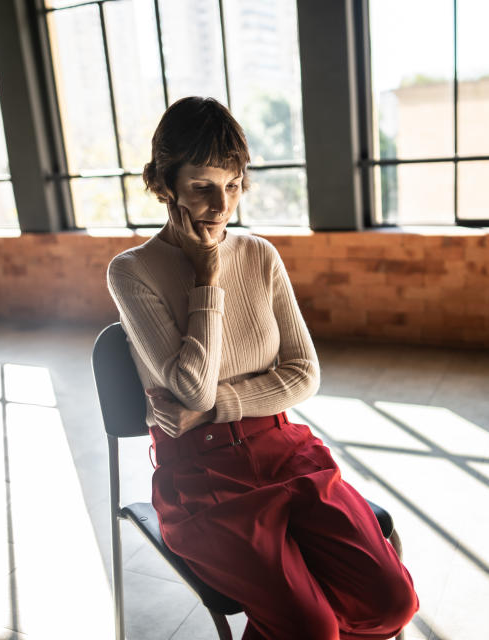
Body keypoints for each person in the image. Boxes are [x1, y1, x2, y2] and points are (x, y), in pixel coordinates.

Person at [106, 96, 418, 640]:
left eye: (232, 184)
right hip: (201, 479)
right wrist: (207, 280)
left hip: (286, 452)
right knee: (310, 626)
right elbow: (190, 387)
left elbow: (303, 375)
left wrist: (220, 407)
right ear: (165, 184)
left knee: (392, 604)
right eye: (202, 186)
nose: (220, 203)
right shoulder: (132, 272)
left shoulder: (261, 255)